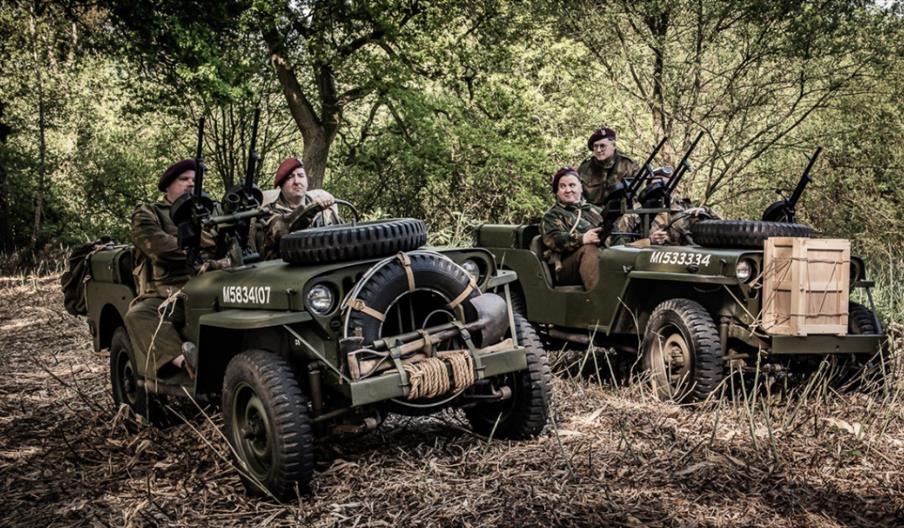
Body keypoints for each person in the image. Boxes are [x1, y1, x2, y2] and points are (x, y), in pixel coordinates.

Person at [124, 159, 226, 381]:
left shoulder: (211, 211)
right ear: (168, 186)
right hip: (171, 295)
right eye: (184, 179)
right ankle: (187, 362)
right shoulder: (149, 212)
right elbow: (158, 247)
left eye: (195, 180)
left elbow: (231, 242)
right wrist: (206, 244)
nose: (191, 184)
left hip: (215, 286)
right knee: (139, 314)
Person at [254, 156, 342, 260]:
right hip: (286, 266)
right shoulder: (267, 213)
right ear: (281, 185)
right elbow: (281, 231)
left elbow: (343, 237)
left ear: (306, 181)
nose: (296, 181)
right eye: (290, 177)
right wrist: (311, 210)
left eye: (301, 175)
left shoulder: (325, 210)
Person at [540, 167, 605, 290]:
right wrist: (582, 239)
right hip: (564, 266)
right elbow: (554, 239)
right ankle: (599, 298)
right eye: (562, 186)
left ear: (581, 188)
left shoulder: (594, 210)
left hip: (601, 257)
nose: (568, 190)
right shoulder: (552, 215)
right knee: (589, 249)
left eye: (572, 185)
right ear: (557, 192)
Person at [577, 126, 640, 207]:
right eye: (595, 146)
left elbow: (638, 195)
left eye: (602, 146)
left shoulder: (629, 165)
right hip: (592, 212)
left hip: (622, 210)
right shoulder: (585, 169)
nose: (598, 150)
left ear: (613, 145)